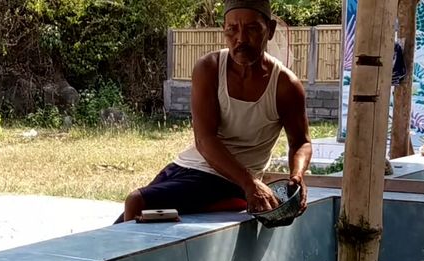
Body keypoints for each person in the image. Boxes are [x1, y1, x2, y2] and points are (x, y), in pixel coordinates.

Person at [117, 0, 312, 223]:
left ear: (270, 30)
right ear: (224, 30)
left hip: (231, 184)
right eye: (232, 30)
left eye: (252, 29)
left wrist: (297, 176)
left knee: (137, 201)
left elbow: (300, 142)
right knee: (121, 226)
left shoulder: (286, 85)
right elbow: (204, 139)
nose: (241, 39)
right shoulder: (209, 68)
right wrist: (251, 184)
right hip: (188, 170)